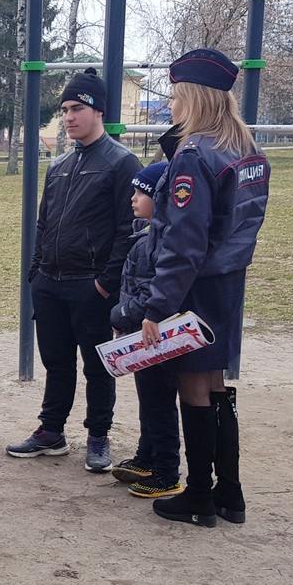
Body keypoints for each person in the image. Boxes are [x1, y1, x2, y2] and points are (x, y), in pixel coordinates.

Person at [140, 48, 270, 528]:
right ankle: (229, 492)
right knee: (215, 384)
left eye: (176, 97)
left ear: (194, 98)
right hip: (228, 283)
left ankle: (198, 494)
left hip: (194, 285)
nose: (171, 106)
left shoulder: (195, 155)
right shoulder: (246, 149)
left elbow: (184, 241)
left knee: (192, 386)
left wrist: (157, 307)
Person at [7, 68, 141, 472]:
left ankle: (98, 436)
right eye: (64, 109)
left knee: (98, 367)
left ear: (98, 110)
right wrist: (36, 274)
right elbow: (43, 223)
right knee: (56, 363)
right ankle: (51, 431)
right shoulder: (59, 164)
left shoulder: (121, 162)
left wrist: (105, 284)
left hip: (91, 285)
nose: (68, 117)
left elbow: (128, 230)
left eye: (76, 108)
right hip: (50, 283)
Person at [108, 160, 184, 499]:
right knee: (149, 399)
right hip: (143, 336)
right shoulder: (147, 236)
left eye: (141, 193)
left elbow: (149, 292)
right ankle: (146, 457)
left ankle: (166, 472)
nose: (133, 198)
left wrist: (119, 314)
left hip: (157, 336)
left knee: (159, 403)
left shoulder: (159, 241)